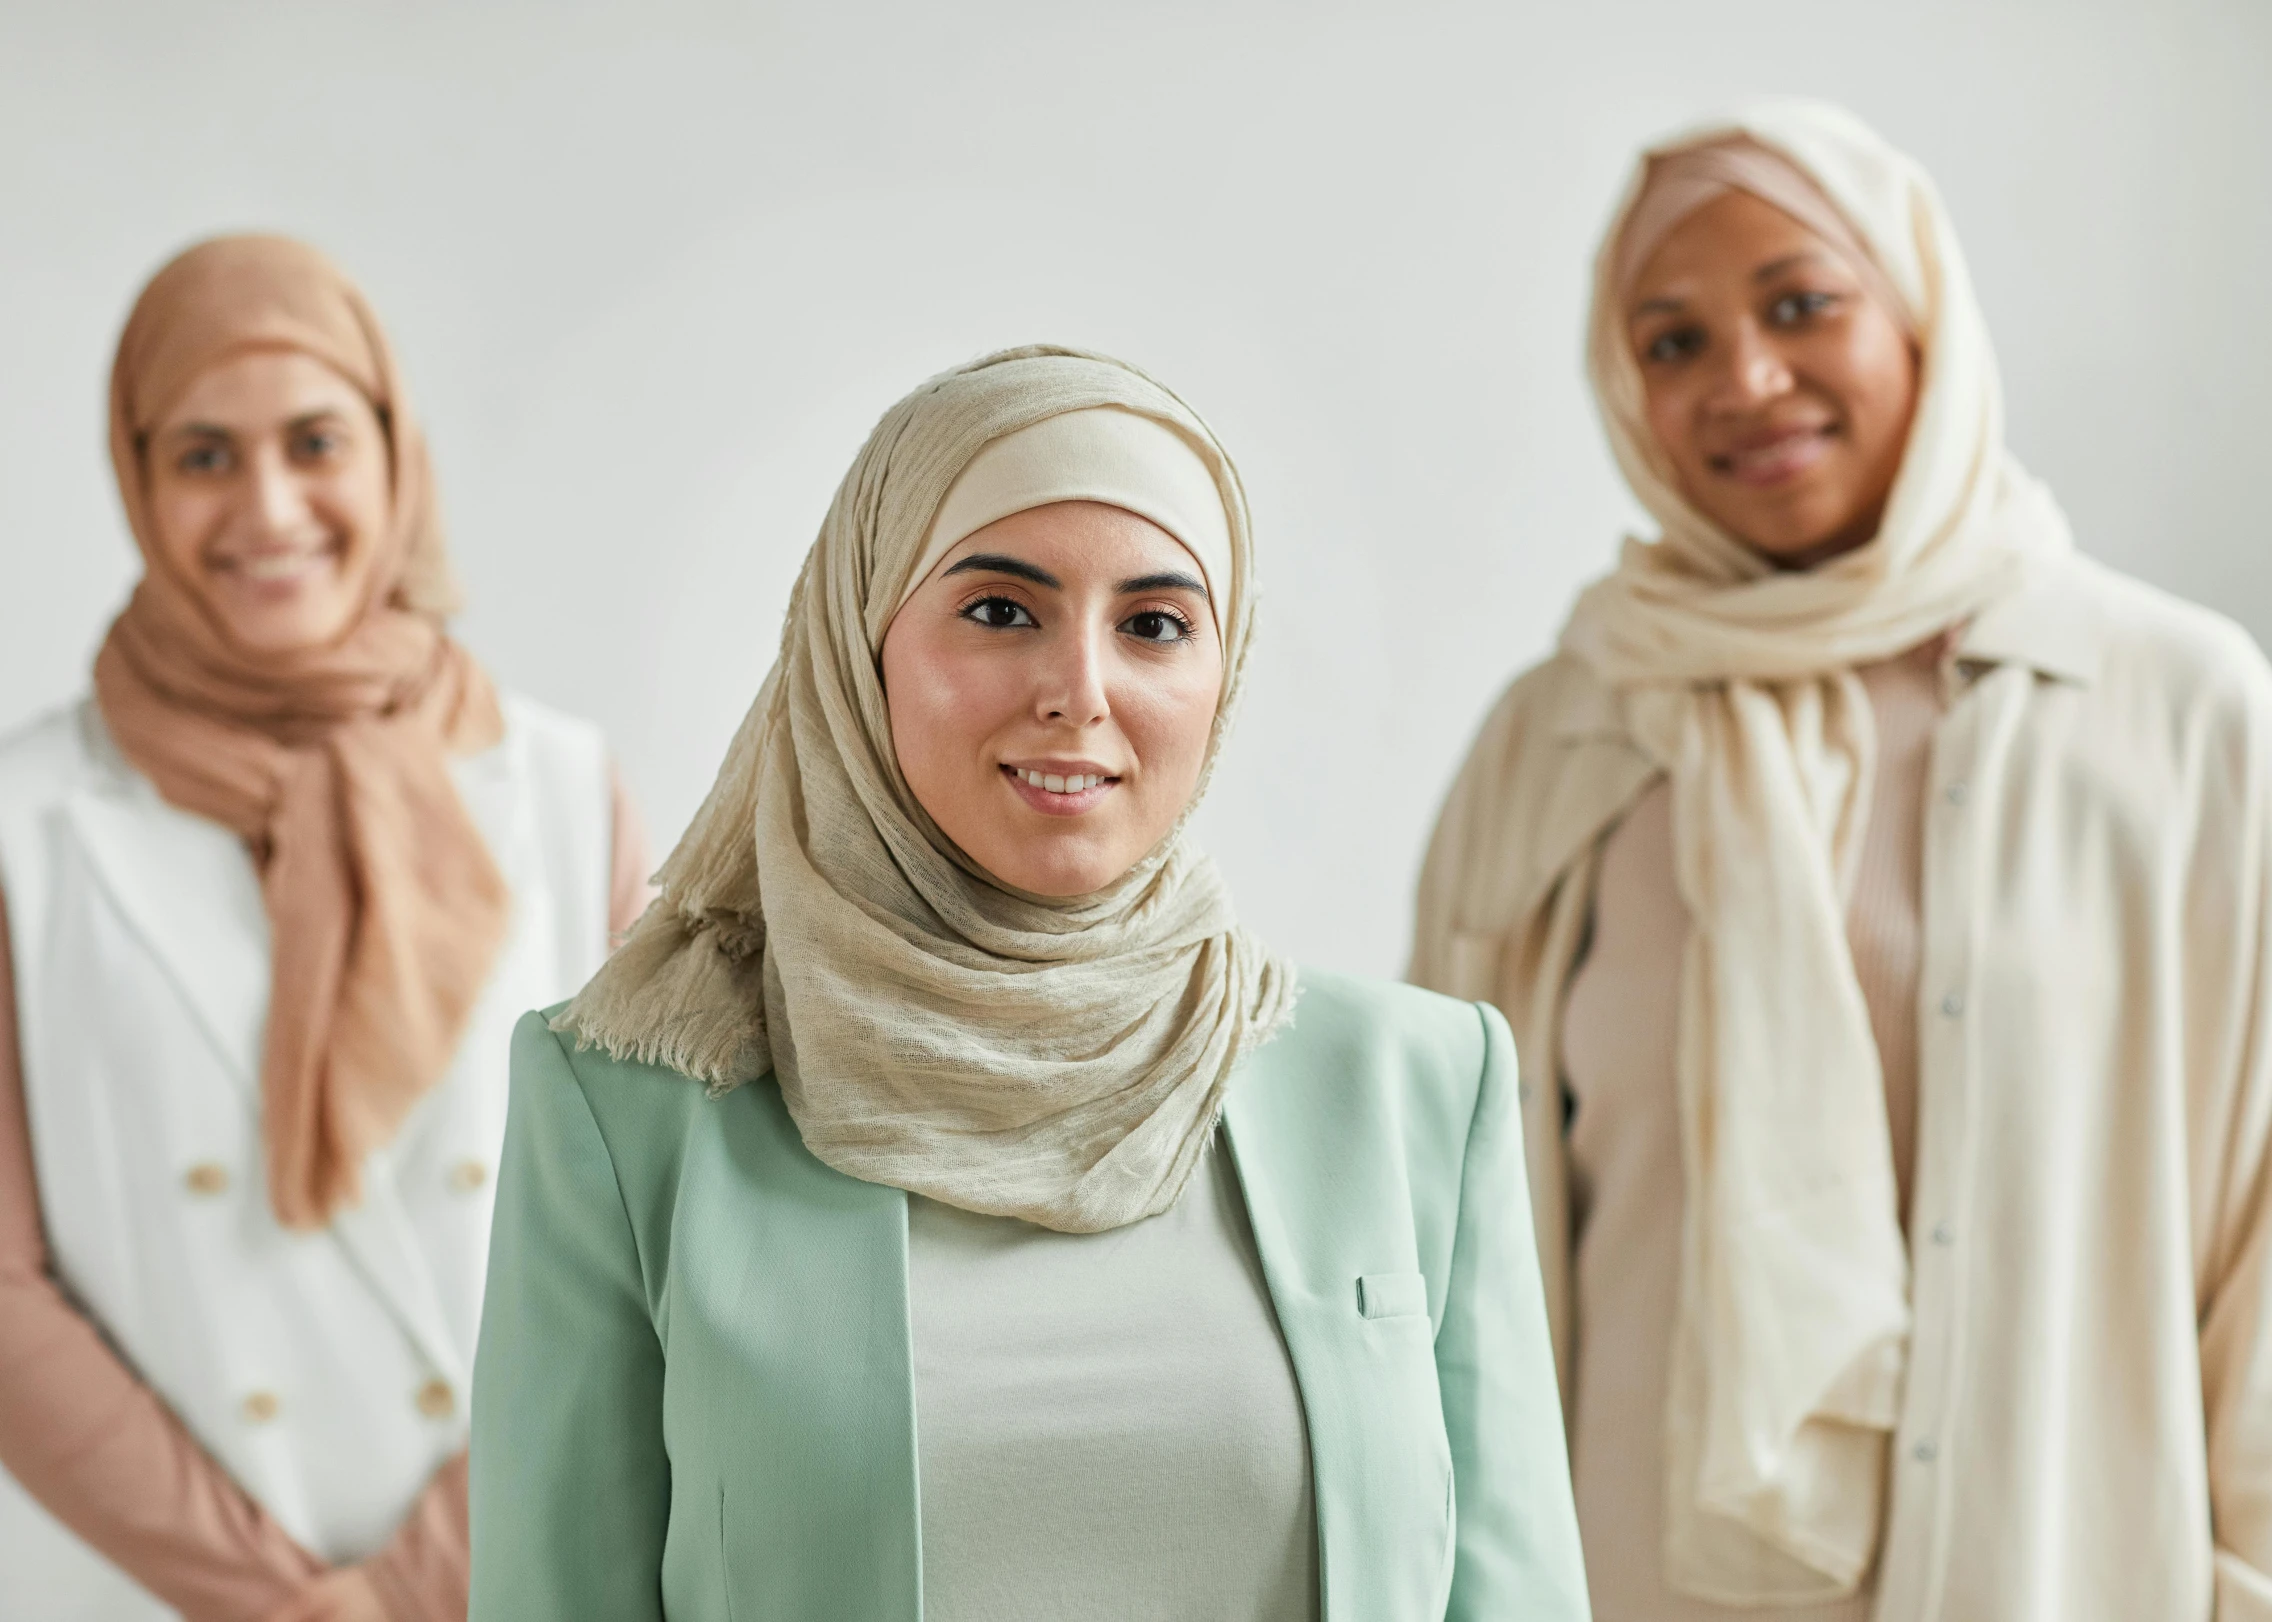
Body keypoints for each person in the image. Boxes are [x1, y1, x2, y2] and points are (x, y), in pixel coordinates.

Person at [469, 345, 1591, 1622]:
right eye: (1001, 610)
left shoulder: (1415, 1086)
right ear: (859, 641)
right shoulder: (632, 1107)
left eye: (1154, 624)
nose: (1080, 691)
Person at [1410, 98, 2272, 1621]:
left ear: (1921, 316)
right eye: (1670, 341)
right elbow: (1437, 1228)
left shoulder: (2181, 706)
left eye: (1803, 303)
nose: (1744, 378)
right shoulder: (1561, 733)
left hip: (2063, 1573)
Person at [0, 236, 649, 1622]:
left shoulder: (559, 788)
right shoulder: (22, 823)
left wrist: (419, 1583)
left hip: (522, 1573)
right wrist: (281, 1603)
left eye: (314, 440)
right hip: (153, 1590)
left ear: (391, 451)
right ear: (136, 475)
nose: (270, 505)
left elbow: (656, 1244)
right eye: (203, 455)